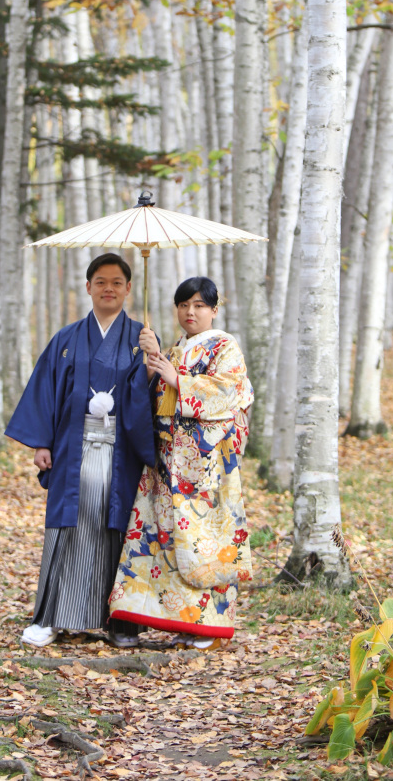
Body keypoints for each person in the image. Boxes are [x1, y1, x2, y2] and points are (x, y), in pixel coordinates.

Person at [5, 253, 156, 649]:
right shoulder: (67, 339)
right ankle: (54, 617)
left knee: (118, 531)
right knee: (69, 529)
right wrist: (41, 442)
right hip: (74, 450)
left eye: (118, 282)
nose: (109, 289)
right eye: (101, 282)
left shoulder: (142, 337)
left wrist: (153, 363)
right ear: (88, 287)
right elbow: (46, 391)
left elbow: (156, 399)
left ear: (127, 289)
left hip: (122, 454)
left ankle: (120, 622)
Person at [108, 276, 254, 649]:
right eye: (184, 305)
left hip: (205, 465)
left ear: (214, 310)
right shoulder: (174, 348)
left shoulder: (225, 346)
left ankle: (206, 623)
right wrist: (151, 363)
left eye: (200, 305)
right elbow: (155, 396)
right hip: (166, 461)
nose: (191, 312)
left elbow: (230, 394)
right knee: (161, 538)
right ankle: (155, 616)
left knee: (203, 542)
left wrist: (177, 378)